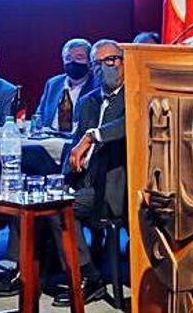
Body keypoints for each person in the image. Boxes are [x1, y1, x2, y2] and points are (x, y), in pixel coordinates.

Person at [53, 39, 127, 306]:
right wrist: (62, 181)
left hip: (113, 187)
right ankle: (82, 272)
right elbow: (74, 145)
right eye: (98, 63)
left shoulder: (135, 95)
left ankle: (89, 278)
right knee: (50, 203)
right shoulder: (88, 101)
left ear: (123, 61)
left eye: (111, 60)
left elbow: (127, 125)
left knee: (61, 210)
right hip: (84, 182)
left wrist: (93, 135)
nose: (105, 67)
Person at [33, 38, 95, 133]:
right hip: (48, 138)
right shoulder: (53, 83)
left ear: (90, 62)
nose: (73, 62)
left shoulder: (97, 86)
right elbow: (39, 115)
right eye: (68, 58)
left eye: (79, 58)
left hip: (77, 141)